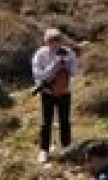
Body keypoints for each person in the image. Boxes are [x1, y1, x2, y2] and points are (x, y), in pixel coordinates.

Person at [30, 28, 82, 166]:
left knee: (65, 121)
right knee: (46, 122)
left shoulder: (68, 53)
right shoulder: (40, 55)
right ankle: (44, 150)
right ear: (46, 41)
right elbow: (38, 75)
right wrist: (53, 66)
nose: (54, 44)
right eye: (51, 41)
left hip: (64, 92)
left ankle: (67, 149)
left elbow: (76, 72)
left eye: (57, 40)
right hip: (47, 93)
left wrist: (67, 65)